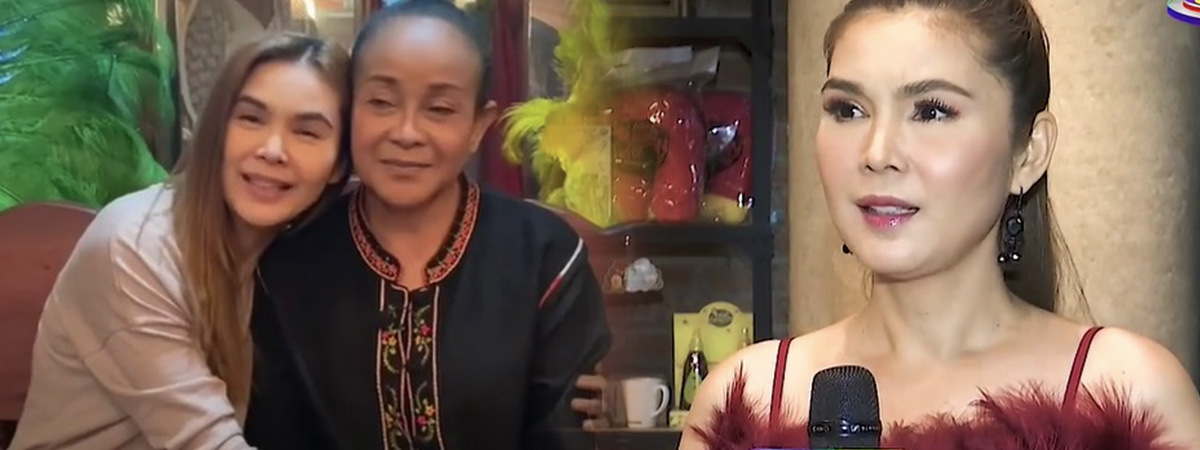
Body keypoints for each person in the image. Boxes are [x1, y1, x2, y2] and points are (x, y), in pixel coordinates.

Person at [679, 0, 1200, 449]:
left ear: (1029, 153)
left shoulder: (1124, 397)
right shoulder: (744, 401)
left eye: (930, 111)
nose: (877, 153)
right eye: (848, 109)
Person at [243, 1, 611, 450]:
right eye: (381, 102)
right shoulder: (288, 269)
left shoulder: (545, 258)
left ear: (478, 126)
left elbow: (563, 438)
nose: (407, 132)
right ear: (349, 109)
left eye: (439, 109)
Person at [10, 34, 351, 450]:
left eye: (307, 132)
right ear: (216, 131)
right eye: (251, 118)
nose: (272, 149)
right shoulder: (136, 247)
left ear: (339, 165)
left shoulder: (285, 255)